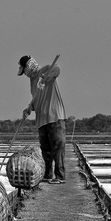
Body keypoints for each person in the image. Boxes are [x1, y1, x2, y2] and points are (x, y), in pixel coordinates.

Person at [18, 55, 66, 183]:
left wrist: (47, 77)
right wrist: (29, 108)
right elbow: (36, 99)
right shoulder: (32, 82)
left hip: (54, 116)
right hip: (41, 119)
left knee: (58, 145)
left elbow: (57, 69)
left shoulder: (45, 69)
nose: (25, 74)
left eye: (24, 71)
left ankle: (60, 176)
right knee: (46, 149)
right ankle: (48, 175)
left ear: (29, 66)